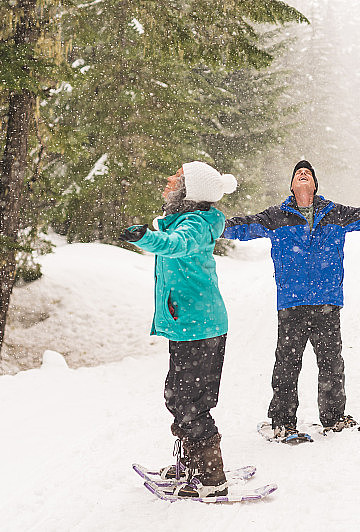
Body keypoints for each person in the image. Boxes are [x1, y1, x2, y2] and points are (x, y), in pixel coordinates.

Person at [221, 160, 360, 440]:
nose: (303, 174)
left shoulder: (335, 213)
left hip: (327, 301)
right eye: (298, 173)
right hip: (292, 303)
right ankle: (282, 422)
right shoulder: (276, 217)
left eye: (308, 174)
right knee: (287, 365)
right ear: (291, 186)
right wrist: (206, 226)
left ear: (314, 185)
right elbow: (238, 227)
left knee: (331, 363)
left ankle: (334, 418)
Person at [119, 161, 238, 497]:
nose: (169, 182)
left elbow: (175, 244)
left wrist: (146, 237)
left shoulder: (196, 224)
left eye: (177, 179)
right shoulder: (185, 220)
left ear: (190, 191)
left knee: (191, 402)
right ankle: (191, 465)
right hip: (189, 325)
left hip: (200, 326)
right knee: (179, 396)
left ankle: (211, 478)